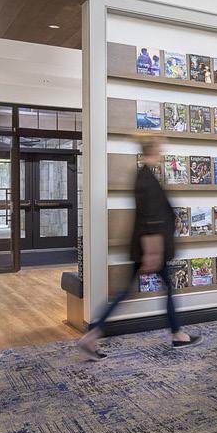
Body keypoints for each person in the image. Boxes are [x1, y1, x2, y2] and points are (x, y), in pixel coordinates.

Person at [78, 136, 200, 359]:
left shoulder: (145, 175)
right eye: (160, 148)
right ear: (152, 150)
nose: (162, 152)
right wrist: (153, 252)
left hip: (147, 247)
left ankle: (94, 335)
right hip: (151, 249)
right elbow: (151, 220)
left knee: (132, 291)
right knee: (153, 290)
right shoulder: (146, 179)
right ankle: (177, 334)